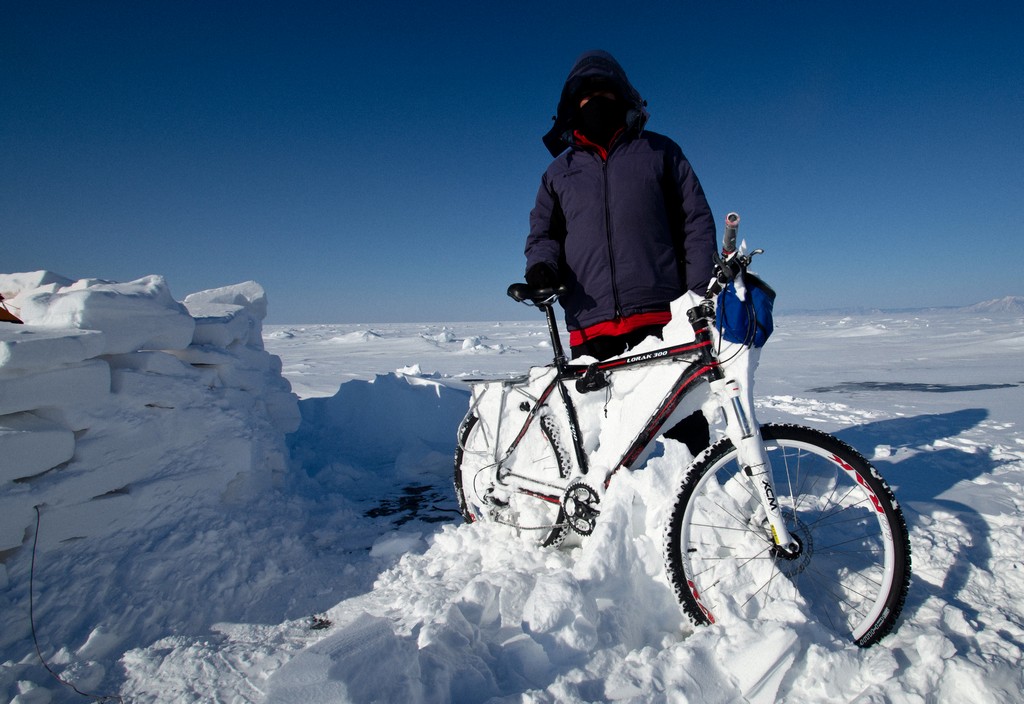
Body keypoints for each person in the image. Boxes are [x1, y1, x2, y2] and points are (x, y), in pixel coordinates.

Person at [524, 49, 716, 456]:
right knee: (597, 438)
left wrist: (698, 294)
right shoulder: (559, 172)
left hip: (661, 317)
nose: (594, 104)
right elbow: (544, 233)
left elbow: (696, 222)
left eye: (605, 95)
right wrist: (542, 266)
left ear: (624, 98)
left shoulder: (660, 152)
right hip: (589, 320)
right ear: (570, 108)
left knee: (681, 426)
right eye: (584, 97)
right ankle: (607, 518)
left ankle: (693, 505)